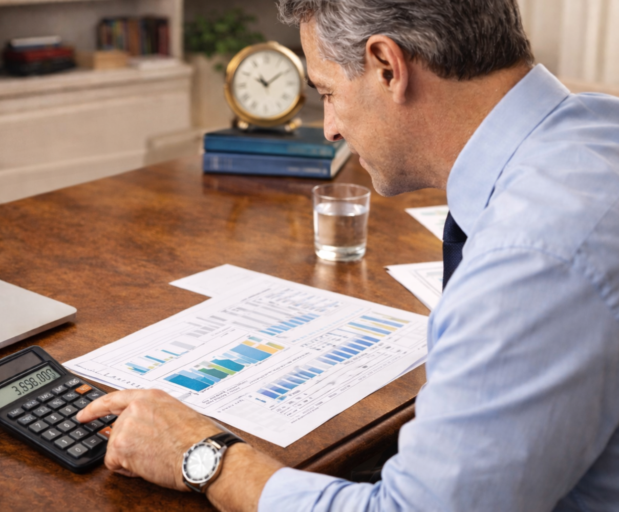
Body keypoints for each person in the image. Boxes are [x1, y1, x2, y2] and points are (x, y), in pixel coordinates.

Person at [77, 0, 619, 509]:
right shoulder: (596, 126)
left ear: (387, 66)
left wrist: (205, 457)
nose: (330, 127)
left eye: (328, 92)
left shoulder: (533, 258)